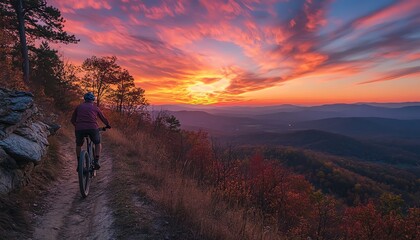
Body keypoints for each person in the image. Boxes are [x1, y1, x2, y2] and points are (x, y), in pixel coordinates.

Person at [71, 92, 111, 171]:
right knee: (97, 143)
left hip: (79, 129)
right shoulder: (95, 108)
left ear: (84, 99)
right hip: (93, 128)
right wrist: (108, 125)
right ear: (93, 100)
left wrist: (78, 126)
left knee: (78, 145)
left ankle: (79, 163)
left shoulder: (78, 107)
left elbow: (72, 120)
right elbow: (103, 118)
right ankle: (96, 161)